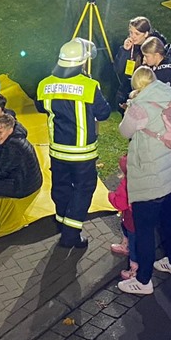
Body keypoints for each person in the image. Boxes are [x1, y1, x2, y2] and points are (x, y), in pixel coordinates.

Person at [116, 66, 171, 295]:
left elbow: (125, 131)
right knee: (170, 220)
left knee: (144, 230)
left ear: (136, 86)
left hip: (153, 178)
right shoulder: (168, 93)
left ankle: (143, 281)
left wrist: (131, 105)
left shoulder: (139, 108)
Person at [36, 38, 111, 249]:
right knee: (84, 189)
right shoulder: (88, 86)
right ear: (81, 62)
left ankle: (62, 223)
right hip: (82, 153)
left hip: (57, 151)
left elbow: (41, 106)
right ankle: (70, 235)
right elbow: (103, 113)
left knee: (60, 187)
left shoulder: (45, 84)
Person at [114, 17, 171, 109]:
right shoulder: (132, 47)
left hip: (147, 101)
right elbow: (118, 69)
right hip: (130, 93)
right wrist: (125, 51)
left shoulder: (155, 49)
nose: (132, 36)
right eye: (131, 32)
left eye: (137, 33)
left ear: (146, 34)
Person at [108, 154, 138, 280]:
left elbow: (120, 202)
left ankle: (134, 270)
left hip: (131, 217)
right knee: (134, 235)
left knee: (133, 240)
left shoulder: (126, 184)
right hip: (142, 215)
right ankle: (127, 246)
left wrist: (110, 196)